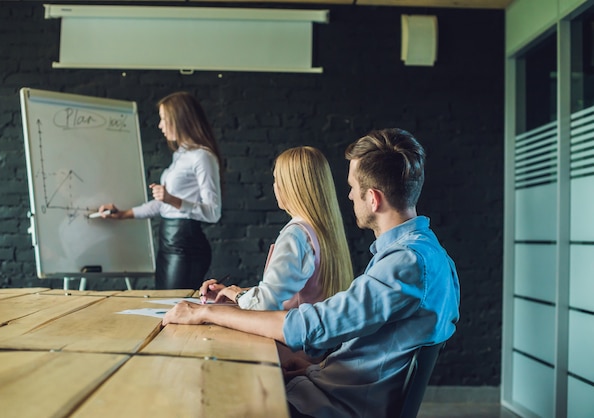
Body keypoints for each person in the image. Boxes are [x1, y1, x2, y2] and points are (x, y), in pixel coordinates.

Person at [162, 128, 460, 417]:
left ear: (373, 198)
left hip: (333, 406)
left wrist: (204, 313)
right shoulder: (431, 255)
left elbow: (311, 327)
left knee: (203, 396)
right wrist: (314, 369)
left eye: (353, 188)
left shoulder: (405, 263)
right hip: (337, 391)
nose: (349, 197)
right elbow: (377, 348)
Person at [200, 146, 353, 310]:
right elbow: (281, 292)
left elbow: (265, 304)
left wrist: (236, 295)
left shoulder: (296, 235)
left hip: (293, 334)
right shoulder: (325, 231)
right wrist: (231, 293)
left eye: (276, 180)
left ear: (290, 186)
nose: (274, 186)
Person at [98, 92, 222, 290]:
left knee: (172, 305)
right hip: (168, 240)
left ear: (180, 119)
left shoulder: (202, 157)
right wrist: (122, 214)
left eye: (164, 119)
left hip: (185, 243)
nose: (160, 125)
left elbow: (213, 212)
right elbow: (163, 203)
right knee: (163, 303)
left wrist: (172, 199)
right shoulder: (180, 156)